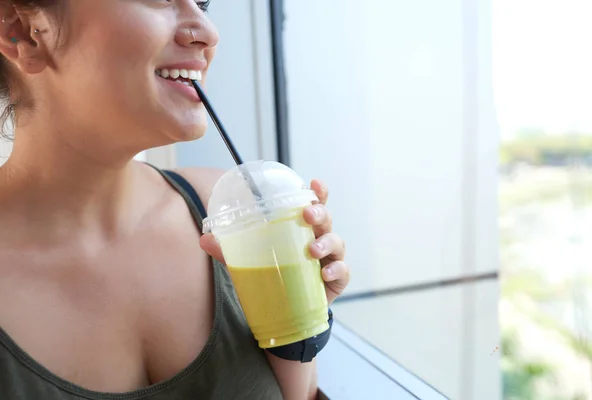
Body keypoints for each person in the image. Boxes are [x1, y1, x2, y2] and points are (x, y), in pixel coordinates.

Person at [0, 0, 351, 399]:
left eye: (202, 2)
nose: (208, 32)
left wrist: (299, 321)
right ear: (22, 31)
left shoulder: (226, 214)